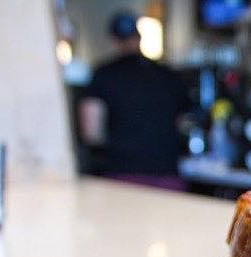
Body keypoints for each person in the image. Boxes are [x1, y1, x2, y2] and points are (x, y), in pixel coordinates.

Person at [79, 11, 189, 190]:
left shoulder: (103, 75)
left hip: (123, 177)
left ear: (114, 40)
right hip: (168, 177)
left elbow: (91, 131)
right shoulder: (169, 75)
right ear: (139, 37)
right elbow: (182, 122)